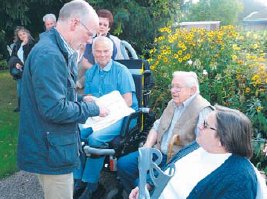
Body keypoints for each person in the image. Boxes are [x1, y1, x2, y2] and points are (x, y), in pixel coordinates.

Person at [17, 1, 109, 199]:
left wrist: (82, 98)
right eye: (90, 34)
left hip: (53, 147)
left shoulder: (54, 49)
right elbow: (54, 109)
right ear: (75, 23)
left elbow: (58, 95)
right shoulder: (49, 54)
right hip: (51, 152)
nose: (90, 41)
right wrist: (91, 108)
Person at [129, 105, 267, 199]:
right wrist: (147, 185)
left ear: (223, 139)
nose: (200, 126)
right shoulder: (197, 146)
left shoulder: (239, 178)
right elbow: (169, 170)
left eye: (206, 125)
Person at [117, 71, 212, 194]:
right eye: (172, 86)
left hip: (175, 162)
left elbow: (201, 149)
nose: (173, 90)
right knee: (124, 165)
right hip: (157, 152)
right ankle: (137, 194)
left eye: (178, 87)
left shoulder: (203, 110)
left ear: (192, 90)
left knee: (141, 184)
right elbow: (157, 127)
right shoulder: (173, 103)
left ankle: (145, 193)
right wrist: (147, 146)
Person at [73, 36, 138, 199]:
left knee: (95, 139)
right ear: (93, 52)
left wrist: (102, 106)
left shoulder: (120, 70)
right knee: (74, 133)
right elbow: (89, 95)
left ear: (112, 52)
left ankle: (92, 185)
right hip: (99, 115)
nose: (102, 55)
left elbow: (127, 101)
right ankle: (78, 178)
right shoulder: (92, 72)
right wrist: (88, 99)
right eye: (98, 51)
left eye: (106, 51)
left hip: (122, 115)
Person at [76, 9, 124, 91]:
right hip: (91, 74)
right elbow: (84, 63)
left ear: (108, 28)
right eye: (100, 24)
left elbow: (107, 66)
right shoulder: (90, 41)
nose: (102, 26)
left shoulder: (111, 44)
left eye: (105, 25)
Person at [7, 26, 35, 112]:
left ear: (27, 33)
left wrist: (26, 44)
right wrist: (16, 63)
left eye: (23, 33)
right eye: (20, 35)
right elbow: (13, 57)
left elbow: (31, 57)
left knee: (31, 88)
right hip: (20, 71)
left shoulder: (32, 44)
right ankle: (20, 106)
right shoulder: (17, 45)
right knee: (20, 89)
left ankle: (32, 106)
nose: (22, 36)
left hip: (30, 71)